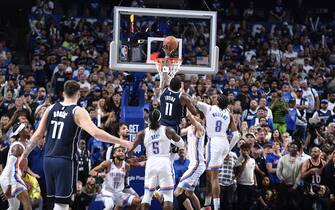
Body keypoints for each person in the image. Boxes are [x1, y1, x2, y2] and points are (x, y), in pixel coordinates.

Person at [19, 80, 132, 210]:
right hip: (64, 160)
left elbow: (37, 135)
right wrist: (121, 141)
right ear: (78, 94)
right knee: (62, 204)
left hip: (48, 160)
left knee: (52, 203)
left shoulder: (50, 108)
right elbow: (95, 133)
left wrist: (24, 155)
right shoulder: (77, 110)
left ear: (63, 93)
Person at [130, 109, 185, 210]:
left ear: (148, 120)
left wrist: (131, 157)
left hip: (150, 162)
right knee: (168, 196)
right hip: (164, 162)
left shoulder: (142, 133)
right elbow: (181, 144)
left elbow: (130, 148)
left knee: (147, 196)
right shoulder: (168, 130)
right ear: (160, 119)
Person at [194, 94, 240, 210]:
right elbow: (236, 136)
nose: (213, 98)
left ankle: (216, 207)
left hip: (213, 142)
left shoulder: (209, 108)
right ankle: (207, 204)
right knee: (210, 175)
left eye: (215, 97)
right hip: (224, 142)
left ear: (218, 102)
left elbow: (193, 101)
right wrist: (228, 150)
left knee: (214, 177)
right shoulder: (228, 114)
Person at [89, 145, 141, 210]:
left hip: (119, 193)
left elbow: (125, 180)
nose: (121, 152)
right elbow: (91, 172)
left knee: (137, 202)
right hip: (107, 192)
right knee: (110, 206)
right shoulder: (108, 163)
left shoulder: (127, 166)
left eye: (123, 151)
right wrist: (99, 174)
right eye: (119, 151)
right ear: (114, 154)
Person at [174, 111, 206, 210]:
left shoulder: (200, 128)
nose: (194, 117)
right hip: (194, 165)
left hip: (197, 164)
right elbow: (177, 133)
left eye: (197, 116)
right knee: (189, 193)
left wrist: (185, 103)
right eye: (194, 115)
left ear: (201, 119)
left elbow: (189, 115)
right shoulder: (189, 128)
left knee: (177, 193)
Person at [0, 123, 32, 210]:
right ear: (20, 132)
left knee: (14, 207)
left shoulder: (22, 145)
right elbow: (10, 167)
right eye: (26, 128)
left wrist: (23, 180)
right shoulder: (17, 146)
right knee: (27, 205)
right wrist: (9, 187)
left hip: (11, 177)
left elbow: (16, 168)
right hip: (10, 177)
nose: (28, 129)